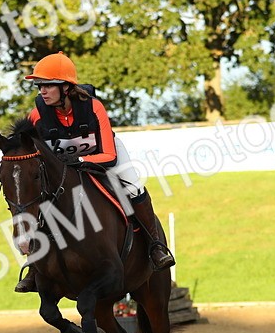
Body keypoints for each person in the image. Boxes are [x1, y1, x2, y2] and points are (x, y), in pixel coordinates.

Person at [13, 52, 174, 294]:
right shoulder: (37, 115)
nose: (42, 91)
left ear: (66, 87)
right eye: (40, 86)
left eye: (48, 85)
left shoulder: (93, 107)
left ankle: (155, 246)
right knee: (43, 200)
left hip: (103, 154)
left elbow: (109, 156)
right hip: (69, 165)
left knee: (133, 186)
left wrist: (78, 159)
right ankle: (36, 267)